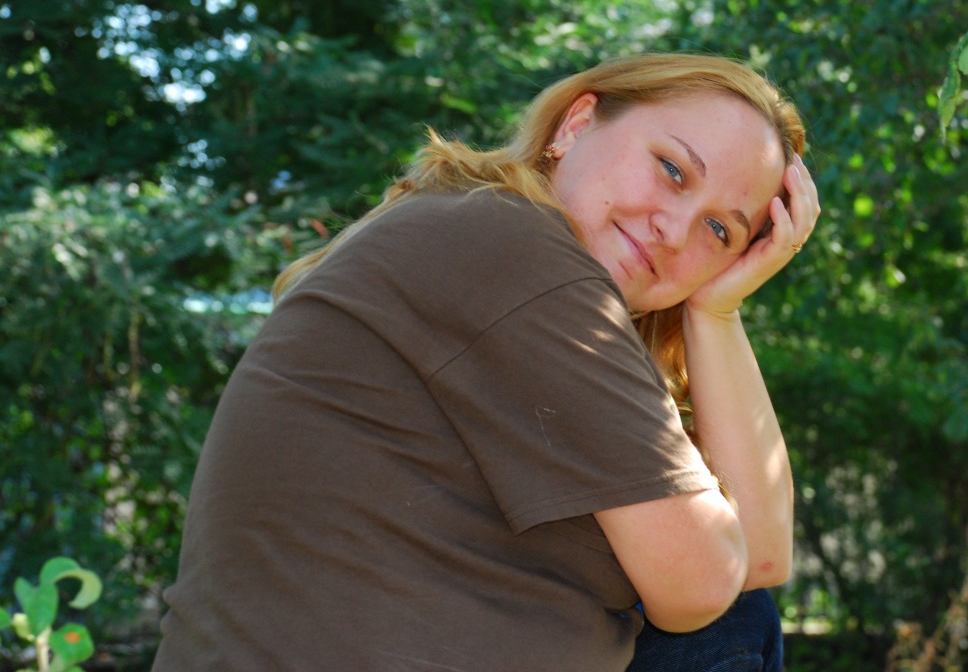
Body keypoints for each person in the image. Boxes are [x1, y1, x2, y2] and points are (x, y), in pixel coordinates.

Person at [151, 52, 820, 672]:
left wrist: (715, 310)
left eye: (719, 230)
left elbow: (756, 561)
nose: (674, 230)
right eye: (672, 169)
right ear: (576, 124)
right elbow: (703, 585)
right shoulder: (514, 246)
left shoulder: (492, 245)